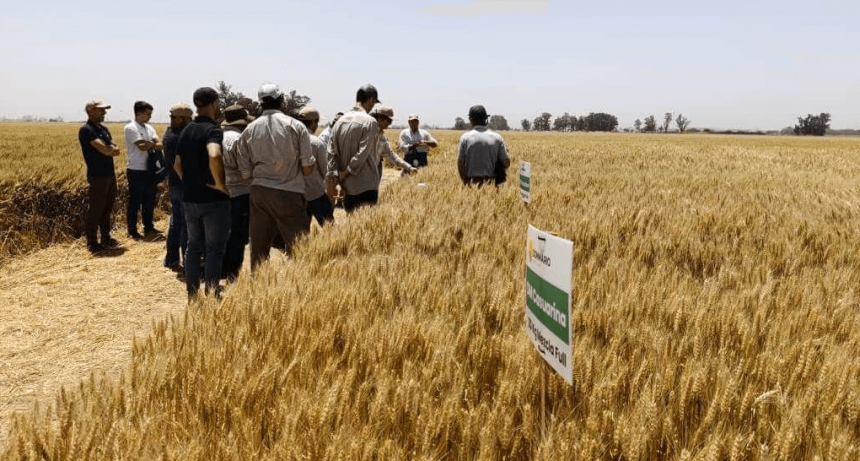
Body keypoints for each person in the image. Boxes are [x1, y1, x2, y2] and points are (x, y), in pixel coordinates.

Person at [233, 83, 314, 269]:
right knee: (300, 248)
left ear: (260, 103)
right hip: (289, 191)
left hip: (259, 192)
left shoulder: (249, 130)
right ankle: (303, 288)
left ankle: (258, 289)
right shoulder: (296, 126)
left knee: (259, 250)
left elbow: (245, 174)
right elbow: (307, 167)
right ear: (282, 100)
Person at [174, 87, 231, 299]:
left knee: (193, 247)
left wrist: (189, 183)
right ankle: (212, 291)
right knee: (214, 249)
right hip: (213, 200)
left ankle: (192, 294)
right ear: (214, 103)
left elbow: (177, 164)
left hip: (189, 199)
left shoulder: (186, 130)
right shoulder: (213, 130)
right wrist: (219, 184)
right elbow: (214, 154)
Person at [327, 84, 382, 213]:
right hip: (366, 186)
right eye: (373, 103)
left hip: (347, 188)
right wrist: (345, 173)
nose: (372, 107)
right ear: (370, 100)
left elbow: (330, 152)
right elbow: (362, 153)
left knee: (353, 226)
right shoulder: (370, 121)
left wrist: (336, 177)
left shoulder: (339, 122)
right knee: (367, 228)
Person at [78, 99, 121, 253]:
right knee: (96, 209)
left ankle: (106, 237)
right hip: (97, 175)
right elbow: (106, 150)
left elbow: (115, 149)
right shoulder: (87, 130)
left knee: (107, 208)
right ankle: (92, 241)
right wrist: (110, 149)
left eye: (104, 110)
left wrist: (110, 149)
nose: (104, 113)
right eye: (100, 110)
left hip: (110, 173)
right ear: (90, 111)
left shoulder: (103, 128)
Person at [220, 104, 255, 281]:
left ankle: (222, 268)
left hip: (222, 191)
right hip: (240, 192)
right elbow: (245, 172)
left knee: (225, 233)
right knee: (239, 235)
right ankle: (233, 272)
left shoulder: (218, 137)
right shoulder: (239, 139)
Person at [124, 101, 162, 239]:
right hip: (136, 169)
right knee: (135, 201)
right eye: (148, 114)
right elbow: (141, 146)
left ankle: (148, 227)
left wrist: (150, 144)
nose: (150, 117)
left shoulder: (149, 128)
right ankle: (132, 230)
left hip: (149, 169)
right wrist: (153, 144)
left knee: (149, 199)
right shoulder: (130, 127)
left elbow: (158, 143)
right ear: (138, 113)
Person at [162, 103, 193, 271]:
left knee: (176, 222)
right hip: (183, 184)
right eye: (189, 119)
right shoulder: (180, 137)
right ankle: (188, 261)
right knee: (186, 224)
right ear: (182, 119)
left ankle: (171, 258)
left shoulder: (169, 133)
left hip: (174, 183)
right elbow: (180, 165)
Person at [296, 105, 335, 227]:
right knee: (330, 229)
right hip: (316, 193)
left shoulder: (290, 140)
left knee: (299, 234)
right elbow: (325, 171)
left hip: (296, 194)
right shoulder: (317, 143)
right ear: (313, 122)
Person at [457, 105, 511, 187]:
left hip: (472, 182)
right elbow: (506, 163)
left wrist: (466, 182)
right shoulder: (497, 138)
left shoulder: (465, 138)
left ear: (470, 120)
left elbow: (460, 163)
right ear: (486, 119)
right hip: (492, 183)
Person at [369, 105, 417, 179]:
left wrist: (409, 168)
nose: (389, 124)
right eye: (389, 121)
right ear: (381, 119)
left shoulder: (382, 138)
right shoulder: (366, 132)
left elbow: (392, 155)